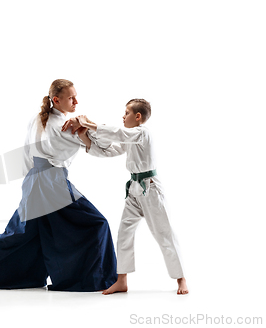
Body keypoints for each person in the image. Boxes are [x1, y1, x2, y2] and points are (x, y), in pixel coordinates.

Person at [0, 79, 117, 291]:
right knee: (96, 223)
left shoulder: (37, 119)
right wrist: (88, 124)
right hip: (51, 181)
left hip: (34, 178)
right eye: (71, 97)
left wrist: (32, 181)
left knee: (24, 231)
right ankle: (95, 279)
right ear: (57, 100)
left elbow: (28, 153)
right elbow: (107, 149)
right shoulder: (67, 126)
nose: (76, 101)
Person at [62, 99, 189, 295]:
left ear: (138, 117)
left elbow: (118, 133)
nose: (123, 116)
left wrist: (89, 123)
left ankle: (181, 280)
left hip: (151, 189)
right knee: (124, 233)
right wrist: (85, 137)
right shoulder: (131, 138)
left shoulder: (142, 132)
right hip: (134, 190)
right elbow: (109, 151)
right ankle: (122, 280)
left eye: (127, 113)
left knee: (164, 234)